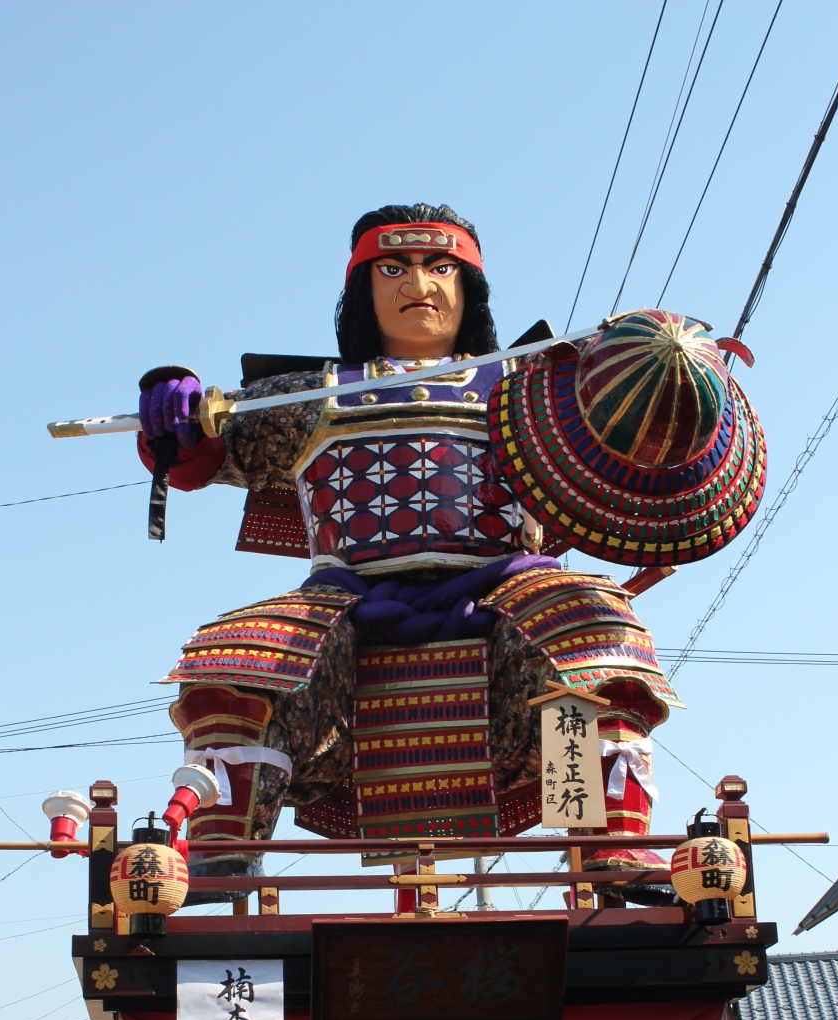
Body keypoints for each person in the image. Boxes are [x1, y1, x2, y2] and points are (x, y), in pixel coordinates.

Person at [134, 202, 763, 885]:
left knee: (592, 626)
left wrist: (662, 373)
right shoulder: (305, 396)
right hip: (347, 596)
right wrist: (176, 413)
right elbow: (199, 456)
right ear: (361, 290)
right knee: (236, 655)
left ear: (469, 288)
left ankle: (604, 835)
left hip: (505, 590)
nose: (419, 285)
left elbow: (637, 437)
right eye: (393, 268)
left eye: (440, 267)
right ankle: (224, 847)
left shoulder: (534, 382)